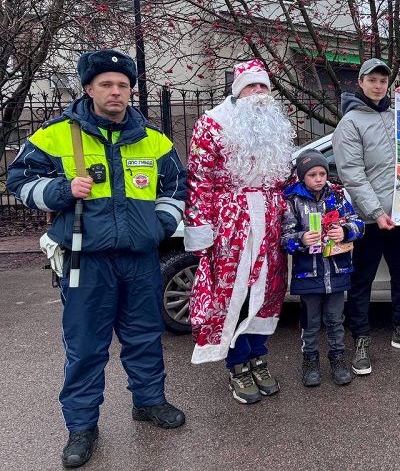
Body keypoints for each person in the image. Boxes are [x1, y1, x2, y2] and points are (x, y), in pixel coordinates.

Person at [7, 50, 187, 468]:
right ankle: (82, 426)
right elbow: (18, 180)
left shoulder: (154, 139)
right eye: (106, 84)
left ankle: (148, 402)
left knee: (144, 338)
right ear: (89, 88)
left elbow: (176, 187)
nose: (116, 92)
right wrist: (61, 190)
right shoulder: (56, 135)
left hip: (139, 259)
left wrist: (159, 226)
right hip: (85, 260)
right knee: (86, 347)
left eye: (123, 85)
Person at [183, 59, 294, 404]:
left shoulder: (277, 126)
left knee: (270, 293)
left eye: (263, 86)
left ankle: (257, 356)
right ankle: (237, 364)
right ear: (237, 89)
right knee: (235, 295)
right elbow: (200, 181)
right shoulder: (213, 124)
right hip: (231, 224)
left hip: (272, 221)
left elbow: (288, 178)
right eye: (251, 86)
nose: (258, 93)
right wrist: (202, 229)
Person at [332, 58, 400, 376]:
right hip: (369, 219)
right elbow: (352, 174)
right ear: (359, 82)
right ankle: (361, 339)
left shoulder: (397, 115)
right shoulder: (350, 123)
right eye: (371, 79)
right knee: (362, 281)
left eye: (382, 80)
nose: (378, 85)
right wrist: (376, 212)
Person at [281, 150, 365, 387]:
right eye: (312, 174)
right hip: (309, 275)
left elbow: (358, 224)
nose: (318, 178)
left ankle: (338, 360)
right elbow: (284, 237)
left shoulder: (337, 197)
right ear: (301, 177)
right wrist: (301, 239)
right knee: (310, 322)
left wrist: (346, 231)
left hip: (337, 272)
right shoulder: (293, 201)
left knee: (336, 320)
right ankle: (310, 361)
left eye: (322, 173)